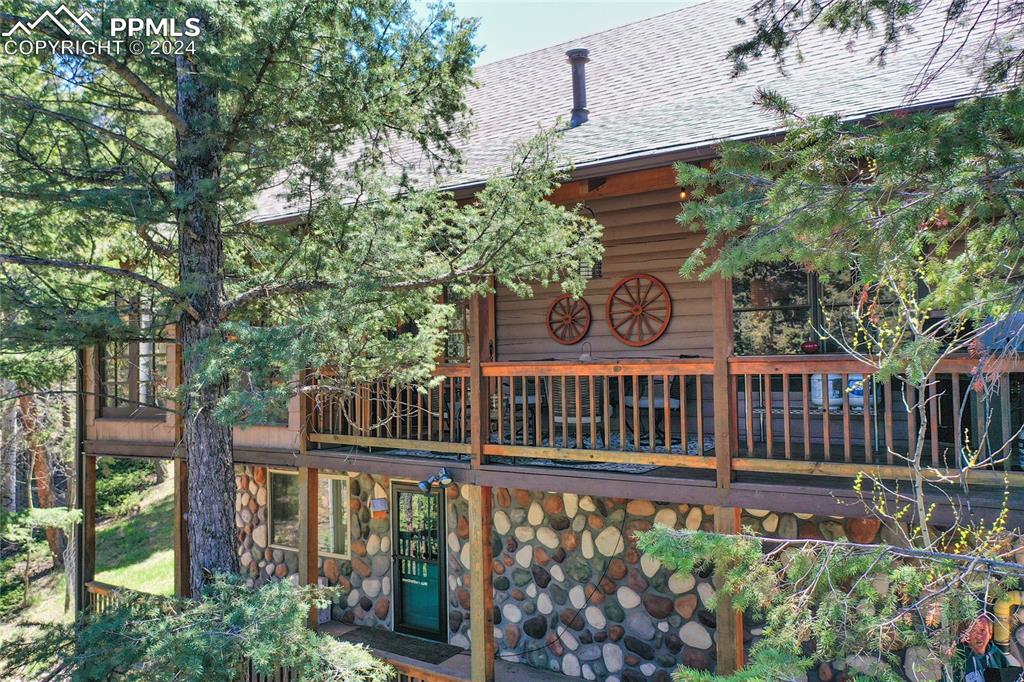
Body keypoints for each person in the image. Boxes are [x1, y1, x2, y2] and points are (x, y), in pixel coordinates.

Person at [960, 615, 1010, 682]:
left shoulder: (995, 654)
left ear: (990, 633)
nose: (979, 636)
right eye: (974, 631)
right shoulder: (959, 656)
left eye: (982, 630)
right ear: (966, 635)